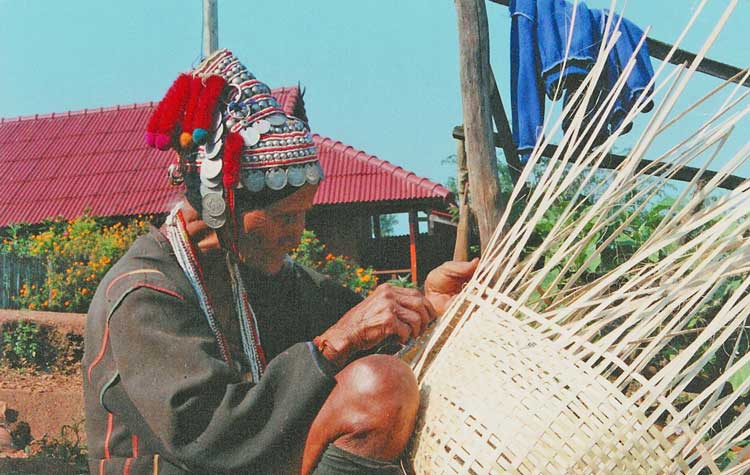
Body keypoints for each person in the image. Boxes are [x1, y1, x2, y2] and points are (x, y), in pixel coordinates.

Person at [82, 49, 477, 475]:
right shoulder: (144, 294)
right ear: (222, 207)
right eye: (285, 217)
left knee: (383, 381)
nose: (298, 233)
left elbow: (367, 322)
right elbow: (206, 433)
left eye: (305, 214)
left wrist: (426, 304)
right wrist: (334, 343)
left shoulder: (255, 271)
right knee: (376, 387)